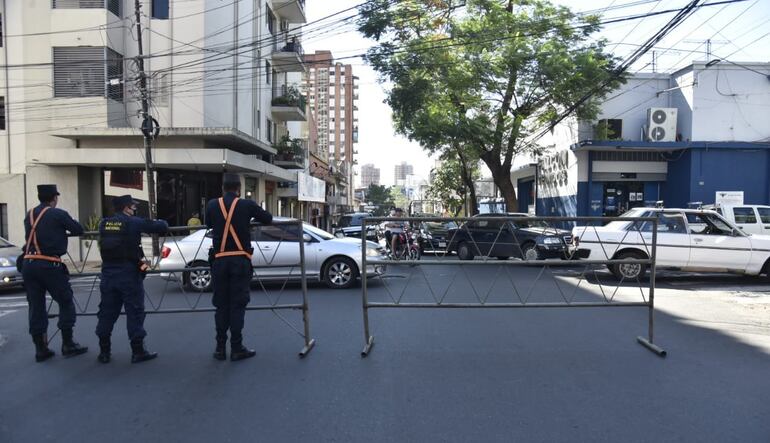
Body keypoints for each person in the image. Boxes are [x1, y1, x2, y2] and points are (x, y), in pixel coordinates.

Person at [205, 173, 272, 362]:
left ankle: (219, 348)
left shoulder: (212, 204)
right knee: (237, 304)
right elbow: (267, 218)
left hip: (219, 261)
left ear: (223, 187)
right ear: (239, 188)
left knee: (221, 305)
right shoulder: (246, 205)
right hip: (240, 261)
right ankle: (236, 347)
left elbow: (209, 224)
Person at [95, 195, 168, 364]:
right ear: (126, 208)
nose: (135, 209)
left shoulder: (104, 223)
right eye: (133, 207)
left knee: (106, 312)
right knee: (134, 312)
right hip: (128, 274)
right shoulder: (132, 222)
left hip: (108, 274)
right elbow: (161, 226)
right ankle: (138, 351)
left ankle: (104, 352)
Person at [22, 184, 88, 362]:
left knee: (36, 306)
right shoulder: (57, 214)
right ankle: (68, 343)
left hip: (29, 263)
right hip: (49, 264)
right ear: (54, 198)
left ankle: (41, 348)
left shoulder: (29, 215)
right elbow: (78, 229)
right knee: (65, 300)